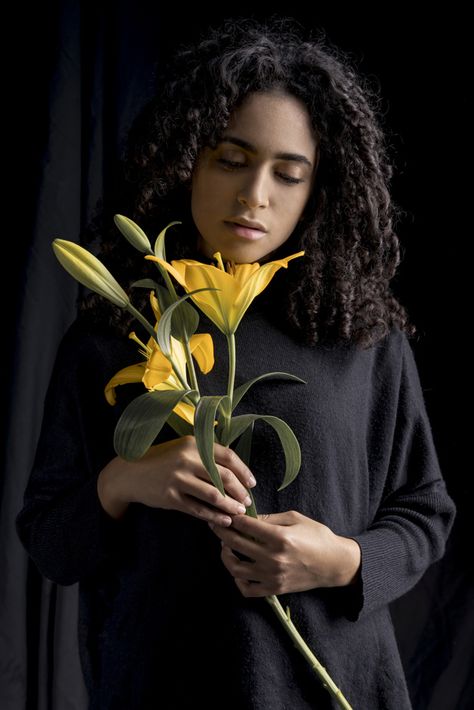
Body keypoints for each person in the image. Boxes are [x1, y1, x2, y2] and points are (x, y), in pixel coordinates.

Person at [16, 15, 457, 710]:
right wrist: (128, 478)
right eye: (230, 159)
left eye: (289, 174)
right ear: (185, 158)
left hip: (336, 687)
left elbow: (425, 510)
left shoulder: (363, 335)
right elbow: (49, 540)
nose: (256, 196)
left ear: (319, 191)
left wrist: (341, 561)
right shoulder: (117, 335)